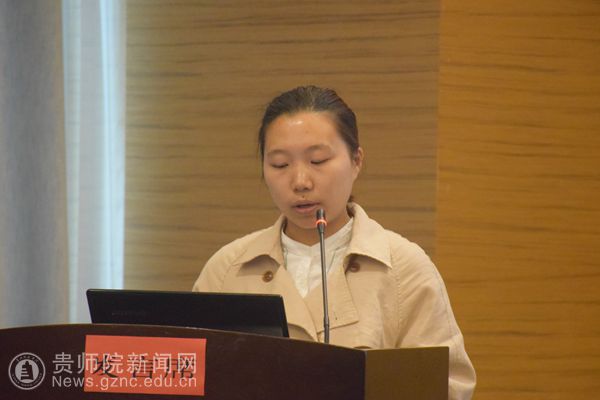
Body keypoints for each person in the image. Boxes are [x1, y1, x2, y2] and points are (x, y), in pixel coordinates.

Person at [193, 85, 476, 399]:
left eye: (318, 160)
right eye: (280, 165)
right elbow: (188, 374)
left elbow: (448, 386)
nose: (300, 182)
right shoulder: (227, 269)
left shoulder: (403, 269)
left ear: (356, 161)